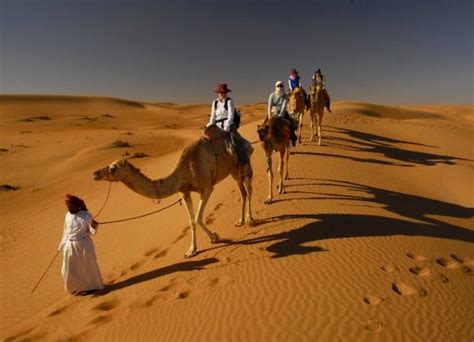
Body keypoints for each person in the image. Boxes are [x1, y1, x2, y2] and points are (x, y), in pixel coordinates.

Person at [58, 194, 104, 295]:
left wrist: (94, 225)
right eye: (67, 207)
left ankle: (90, 287)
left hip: (83, 244)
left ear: (76, 205)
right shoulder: (67, 215)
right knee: (68, 268)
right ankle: (74, 287)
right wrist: (62, 245)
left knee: (86, 266)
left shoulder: (86, 216)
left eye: (70, 206)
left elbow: (92, 232)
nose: (69, 209)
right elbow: (65, 231)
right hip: (69, 245)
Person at [208, 83, 252, 165]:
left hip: (228, 124)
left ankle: (243, 161)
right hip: (217, 125)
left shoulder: (229, 101)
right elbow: (213, 116)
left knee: (234, 142)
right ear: (217, 93)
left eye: (224, 92)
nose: (222, 94)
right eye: (220, 92)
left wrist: (225, 129)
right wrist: (210, 126)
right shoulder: (215, 103)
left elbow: (230, 116)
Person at [267, 80, 297, 147]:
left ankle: (293, 138)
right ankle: (266, 142)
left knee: (290, 124)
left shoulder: (285, 96)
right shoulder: (272, 95)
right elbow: (269, 106)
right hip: (272, 113)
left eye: (281, 86)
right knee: (264, 126)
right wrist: (269, 116)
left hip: (282, 113)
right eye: (278, 86)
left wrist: (280, 115)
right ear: (275, 86)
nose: (279, 87)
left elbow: (284, 106)